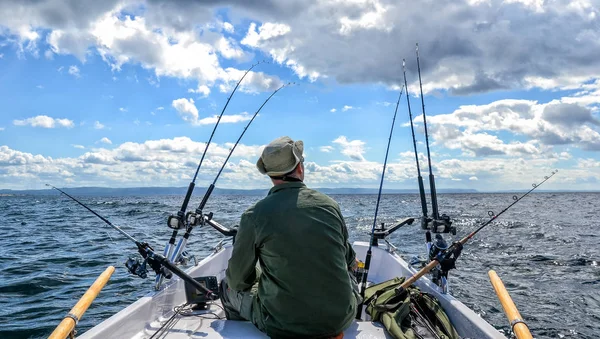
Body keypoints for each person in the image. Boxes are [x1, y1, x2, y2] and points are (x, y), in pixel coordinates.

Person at [220, 136, 360, 339]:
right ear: (300, 168)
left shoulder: (254, 215)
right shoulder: (330, 205)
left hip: (283, 325)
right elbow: (349, 260)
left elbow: (238, 280)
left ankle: (240, 331)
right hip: (341, 319)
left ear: (268, 174)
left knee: (227, 285)